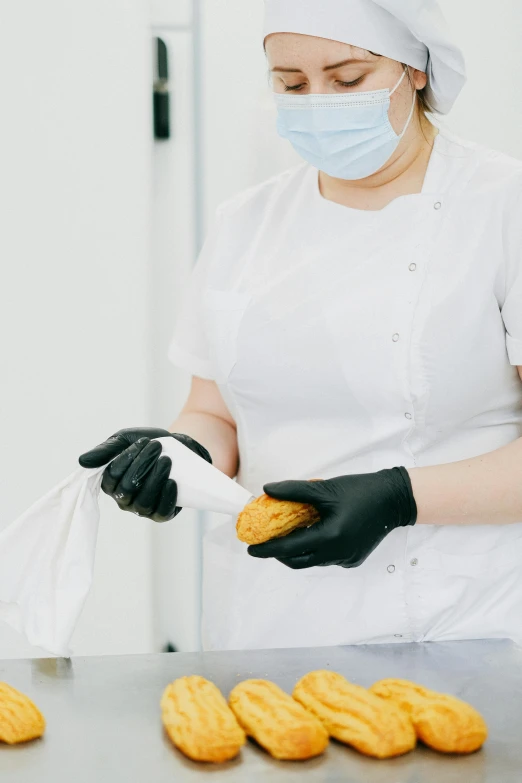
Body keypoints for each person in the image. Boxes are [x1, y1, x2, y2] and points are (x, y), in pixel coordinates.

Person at [80, 0, 522, 651]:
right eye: (291, 84)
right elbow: (216, 412)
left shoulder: (501, 207)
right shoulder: (246, 223)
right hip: (266, 627)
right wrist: (185, 457)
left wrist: (398, 496)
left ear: (415, 70)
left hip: (458, 629)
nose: (318, 102)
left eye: (347, 79)